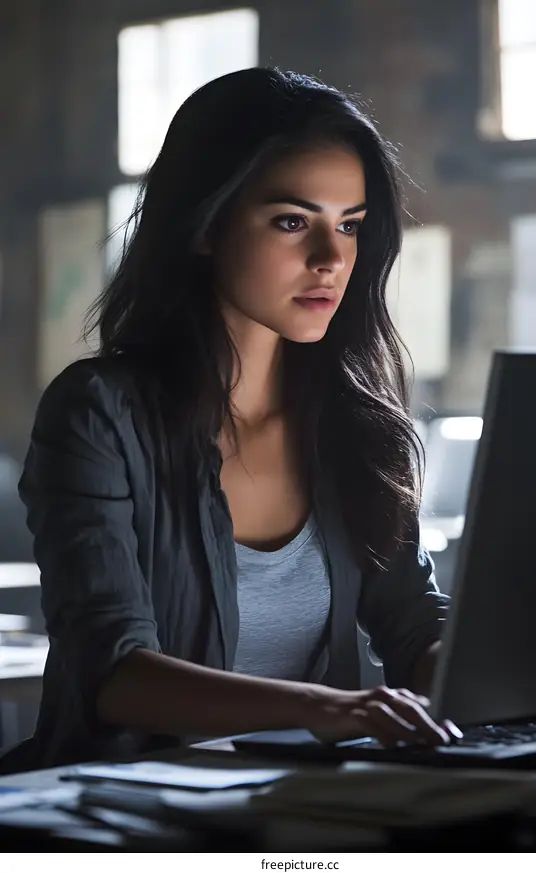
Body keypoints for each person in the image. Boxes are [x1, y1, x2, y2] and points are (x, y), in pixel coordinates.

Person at [2, 67, 459, 774]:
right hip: (129, 815)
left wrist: (487, 677)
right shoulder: (99, 413)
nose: (331, 259)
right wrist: (322, 706)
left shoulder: (352, 417)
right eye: (290, 221)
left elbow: (412, 618)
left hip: (315, 806)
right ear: (207, 224)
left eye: (350, 226)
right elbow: (114, 671)